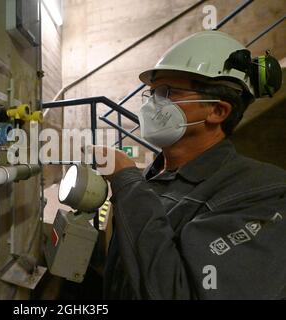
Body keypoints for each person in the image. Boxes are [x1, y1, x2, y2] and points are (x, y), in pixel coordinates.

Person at [99, 31, 286, 299]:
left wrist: (127, 182)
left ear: (217, 111)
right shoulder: (155, 178)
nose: (153, 104)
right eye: (153, 93)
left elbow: (179, 292)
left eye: (168, 92)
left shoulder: (262, 193)